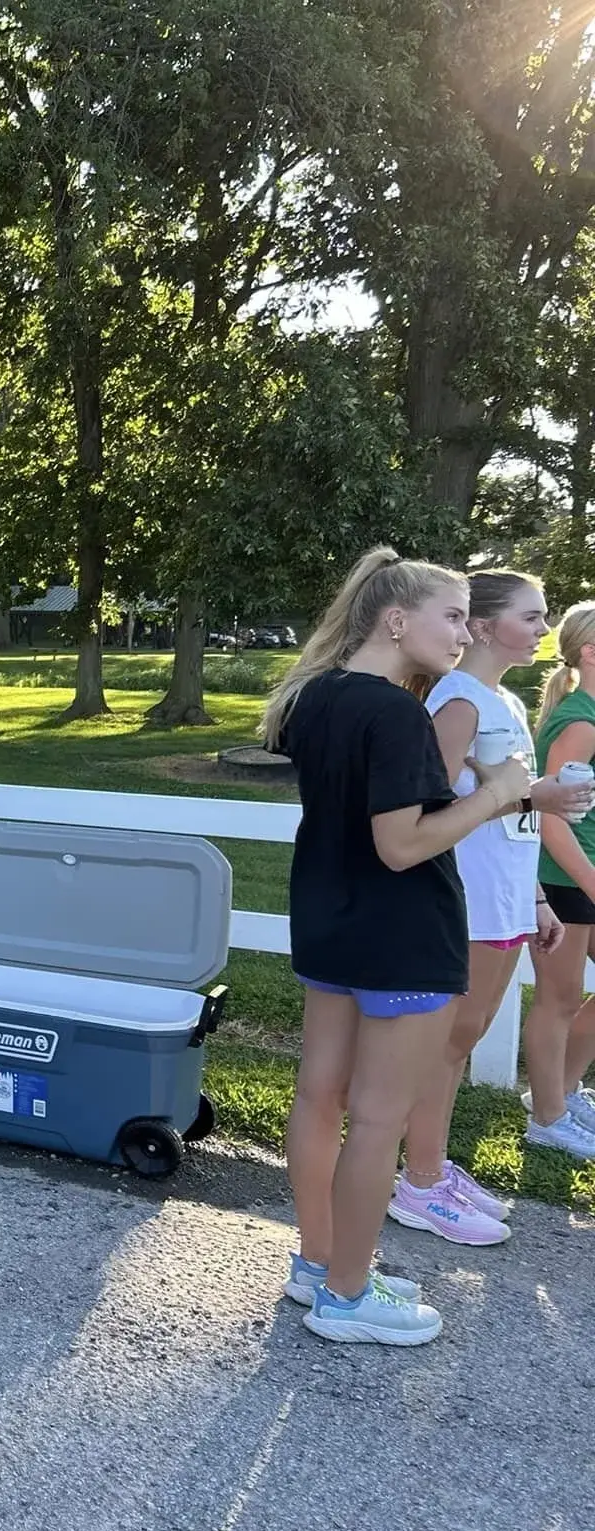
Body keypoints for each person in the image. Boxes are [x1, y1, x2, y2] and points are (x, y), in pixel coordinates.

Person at [263, 548, 530, 1347]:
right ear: (396, 619)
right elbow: (403, 845)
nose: (464, 629)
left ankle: (320, 1266)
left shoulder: (313, 698)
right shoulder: (394, 712)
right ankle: (347, 1295)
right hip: (403, 936)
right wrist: (497, 795)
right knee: (378, 1119)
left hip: (329, 921)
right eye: (452, 615)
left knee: (321, 1096)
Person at [400, 572, 588, 1243]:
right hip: (467, 899)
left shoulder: (502, 698)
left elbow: (514, 811)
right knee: (449, 1041)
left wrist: (536, 894)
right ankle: (418, 1181)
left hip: (505, 900)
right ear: (483, 627)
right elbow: (427, 805)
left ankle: (429, 1166)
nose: (544, 630)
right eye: (531, 617)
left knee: (463, 1038)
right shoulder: (458, 699)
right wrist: (533, 795)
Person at [524, 599, 595, 1160]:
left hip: (585, 874)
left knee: (569, 996)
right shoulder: (580, 723)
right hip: (568, 875)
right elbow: (550, 822)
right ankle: (547, 1116)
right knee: (559, 998)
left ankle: (564, 1093)